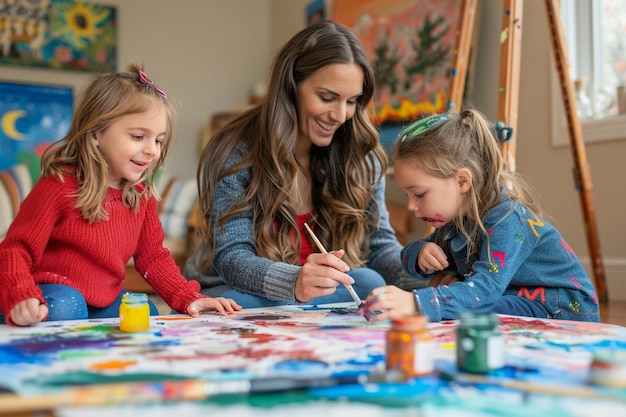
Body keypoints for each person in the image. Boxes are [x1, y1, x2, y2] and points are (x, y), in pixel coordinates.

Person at [184, 20, 423, 307]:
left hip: (321, 294)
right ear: (291, 85)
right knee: (247, 303)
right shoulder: (234, 150)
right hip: (240, 291)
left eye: (351, 101)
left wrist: (430, 280)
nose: (340, 115)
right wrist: (294, 282)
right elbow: (232, 258)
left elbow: (380, 248)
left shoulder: (362, 155)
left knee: (370, 281)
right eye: (327, 98)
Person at [0, 63, 241, 327]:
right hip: (48, 295)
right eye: (139, 136)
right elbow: (15, 248)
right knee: (68, 307)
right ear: (96, 133)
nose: (152, 151)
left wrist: (188, 297)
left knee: (146, 311)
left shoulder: (140, 196)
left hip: (102, 300)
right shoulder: (58, 185)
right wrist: (20, 295)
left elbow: (153, 258)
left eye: (158, 140)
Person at [360, 109, 600, 322]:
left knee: (472, 308)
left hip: (562, 307)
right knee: (463, 306)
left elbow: (484, 290)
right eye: (407, 195)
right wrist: (419, 253)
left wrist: (416, 303)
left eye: (419, 194)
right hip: (515, 298)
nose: (411, 206)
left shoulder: (507, 219)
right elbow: (408, 261)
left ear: (462, 181)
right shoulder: (454, 219)